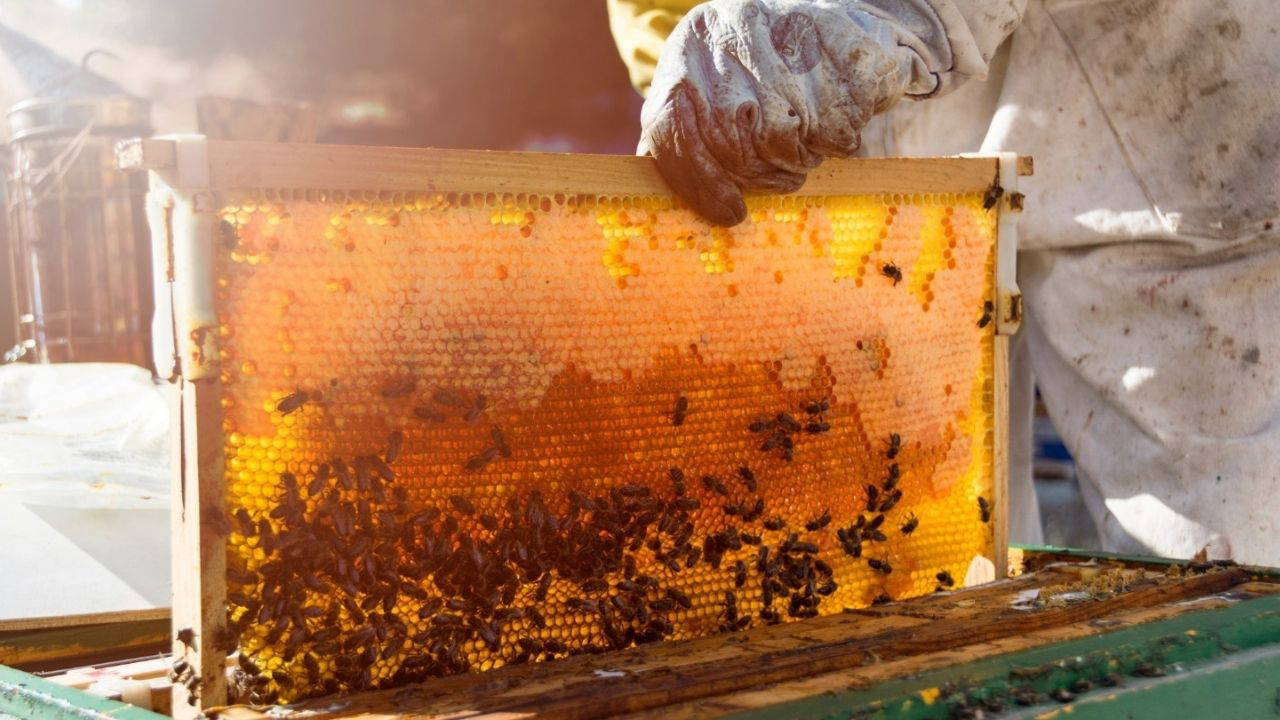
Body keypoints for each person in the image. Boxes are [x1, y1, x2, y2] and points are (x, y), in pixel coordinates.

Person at [608, 0, 1280, 565]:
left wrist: (868, 14)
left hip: (1157, 110)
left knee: (1230, 566)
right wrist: (694, 71)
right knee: (933, 551)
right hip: (869, 149)